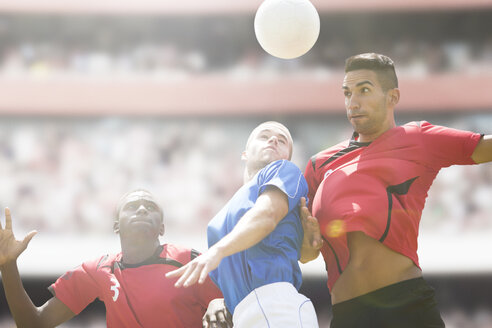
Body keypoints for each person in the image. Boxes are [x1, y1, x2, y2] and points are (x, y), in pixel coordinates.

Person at [303, 53, 492, 327]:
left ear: (392, 97)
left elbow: (485, 147)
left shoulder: (418, 138)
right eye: (347, 93)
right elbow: (304, 253)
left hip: (408, 308)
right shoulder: (319, 165)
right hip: (348, 315)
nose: (352, 102)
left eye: (364, 90)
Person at [167, 121, 320, 328]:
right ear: (245, 153)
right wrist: (219, 302)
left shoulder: (284, 171)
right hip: (244, 315)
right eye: (264, 136)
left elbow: (267, 215)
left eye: (282, 140)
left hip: (277, 306)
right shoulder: (218, 222)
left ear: (287, 159)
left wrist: (218, 251)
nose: (274, 139)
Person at [0, 189, 227, 328]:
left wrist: (220, 302)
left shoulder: (189, 260)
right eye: (131, 206)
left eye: (150, 207)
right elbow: (34, 324)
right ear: (116, 226)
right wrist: (8, 265)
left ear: (162, 227)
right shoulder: (98, 270)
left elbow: (234, 306)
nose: (141, 210)